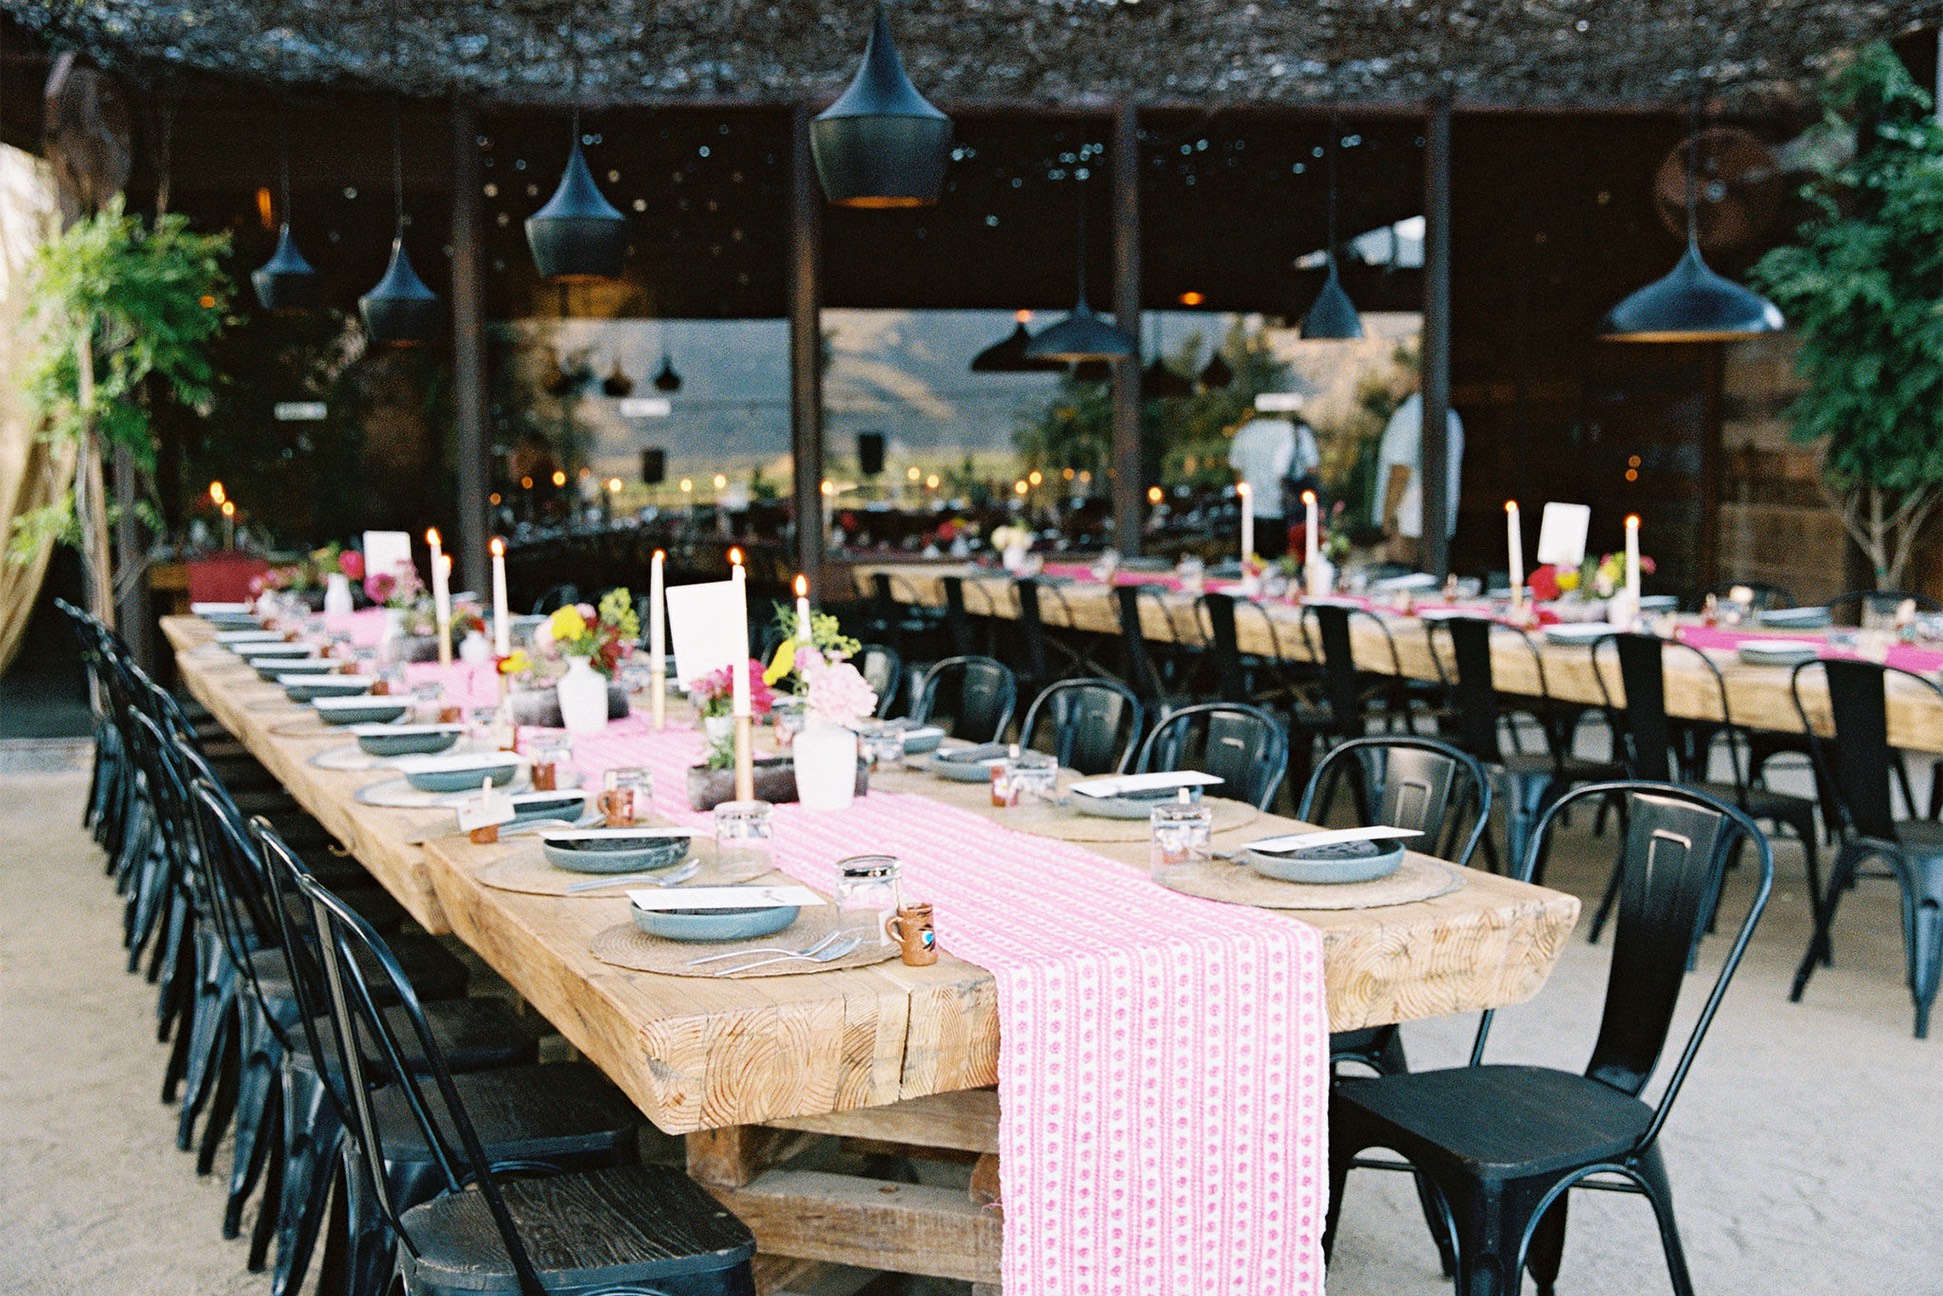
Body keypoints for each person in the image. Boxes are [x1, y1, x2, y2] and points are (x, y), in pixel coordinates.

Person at [1373, 392, 1463, 566]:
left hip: (1407, 523)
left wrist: (1387, 520)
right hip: (1439, 523)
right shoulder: (1451, 416)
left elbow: (1400, 471)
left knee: (1405, 579)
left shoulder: (1409, 415)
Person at [1228, 412, 1319, 559]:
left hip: (1252, 513)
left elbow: (1236, 469)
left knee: (1251, 565)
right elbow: (1312, 468)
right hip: (1285, 515)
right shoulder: (1297, 431)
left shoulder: (1246, 431)